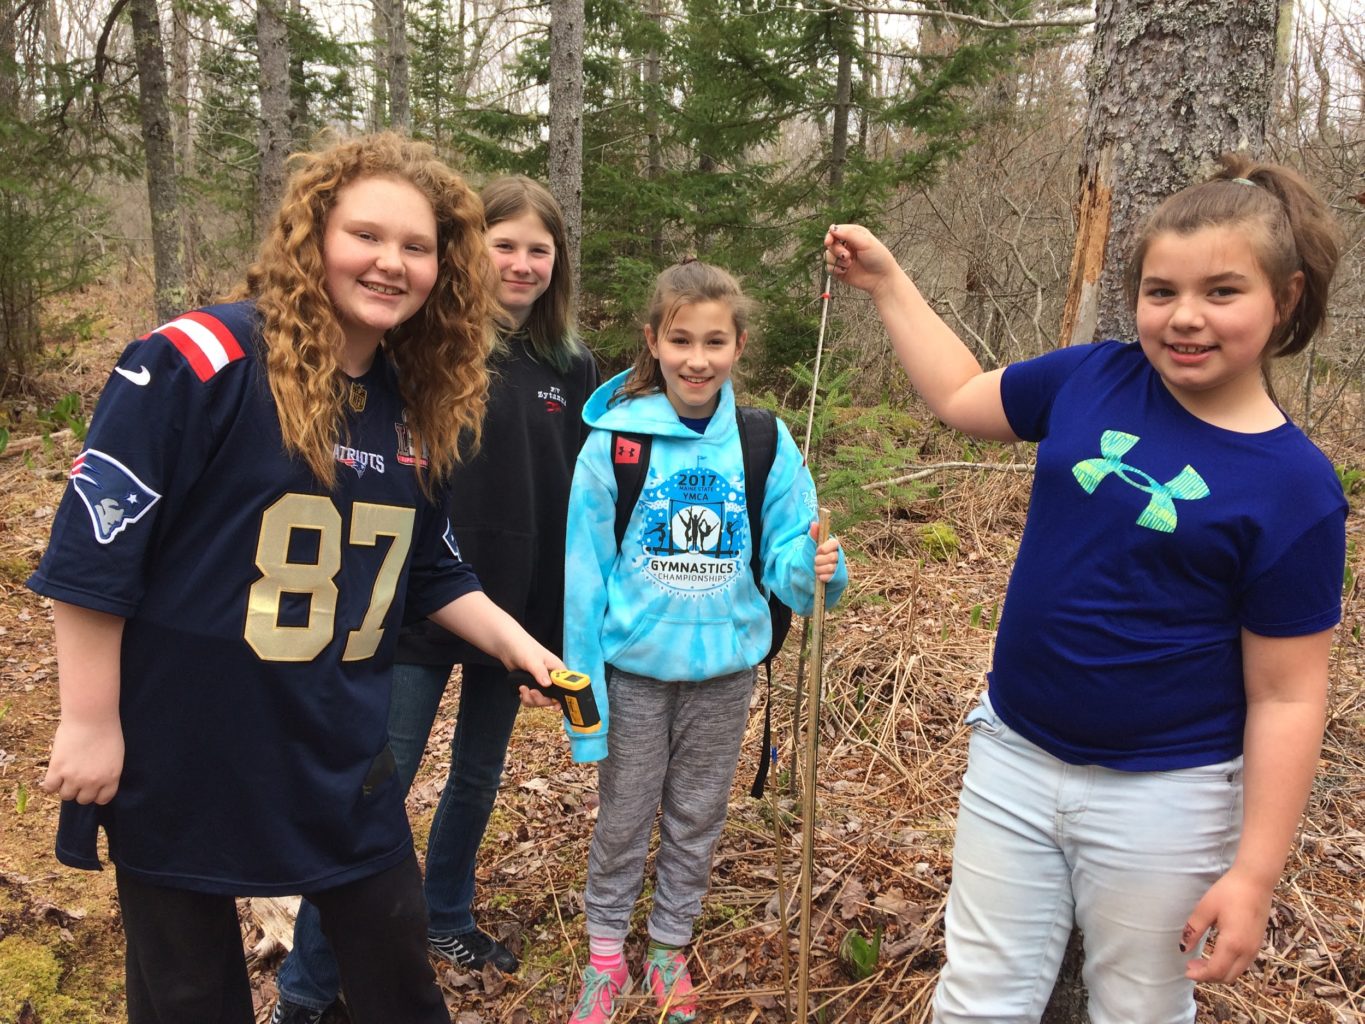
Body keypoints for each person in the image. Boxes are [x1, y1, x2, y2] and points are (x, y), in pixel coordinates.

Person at [28, 133, 566, 1024]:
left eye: (418, 246)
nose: (391, 263)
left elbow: (426, 562)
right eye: (367, 236)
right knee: (191, 996)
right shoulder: (197, 358)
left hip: (338, 749)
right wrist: (88, 722)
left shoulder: (417, 397)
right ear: (310, 235)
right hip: (182, 745)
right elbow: (95, 549)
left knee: (397, 984)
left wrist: (522, 649)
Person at [825, 154, 1346, 1024]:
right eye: (1159, 291)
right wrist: (886, 283)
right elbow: (960, 394)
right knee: (976, 1000)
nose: (1183, 318)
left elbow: (1288, 695)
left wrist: (1253, 874)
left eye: (1222, 292)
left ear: (1285, 299)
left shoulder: (1293, 487)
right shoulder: (1093, 377)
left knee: (1139, 1010)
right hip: (1013, 756)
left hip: (1166, 797)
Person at [272, 175, 597, 1020]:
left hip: (514, 613)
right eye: (504, 245)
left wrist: (558, 623)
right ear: (468, 253)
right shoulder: (426, 348)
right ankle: (308, 986)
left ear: (556, 262)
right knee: (378, 784)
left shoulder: (570, 365)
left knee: (479, 774)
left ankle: (446, 913)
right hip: (416, 601)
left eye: (538, 249)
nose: (521, 263)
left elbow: (579, 493)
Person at [554, 260, 848, 1024]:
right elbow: (583, 579)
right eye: (680, 339)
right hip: (633, 674)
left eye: (714, 341)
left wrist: (815, 565)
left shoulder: (762, 442)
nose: (696, 358)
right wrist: (581, 705)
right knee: (622, 816)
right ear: (651, 341)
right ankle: (604, 956)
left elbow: (786, 554)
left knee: (696, 816)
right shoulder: (612, 444)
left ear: (738, 345)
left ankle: (669, 948)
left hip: (725, 674)